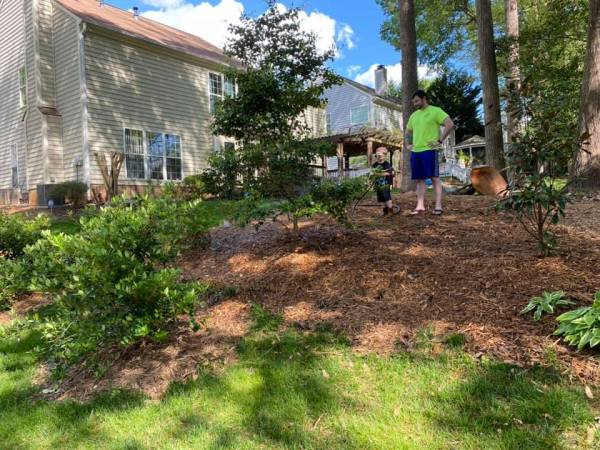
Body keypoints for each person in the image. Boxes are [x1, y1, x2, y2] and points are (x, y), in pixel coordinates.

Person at [405, 90, 455, 215]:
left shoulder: (435, 111)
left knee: (434, 178)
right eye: (413, 102)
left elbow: (449, 124)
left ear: (424, 98)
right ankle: (420, 206)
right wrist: (408, 144)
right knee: (419, 179)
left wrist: (440, 140)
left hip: (430, 150)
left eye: (417, 101)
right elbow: (408, 131)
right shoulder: (413, 115)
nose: (415, 104)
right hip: (416, 151)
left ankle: (438, 206)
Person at [372, 147, 398, 216]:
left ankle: (391, 211)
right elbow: (372, 172)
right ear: (376, 155)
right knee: (381, 198)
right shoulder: (375, 165)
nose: (379, 157)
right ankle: (385, 211)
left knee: (387, 197)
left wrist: (380, 174)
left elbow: (390, 173)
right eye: (378, 155)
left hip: (385, 184)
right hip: (378, 185)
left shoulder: (386, 164)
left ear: (384, 156)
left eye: (381, 155)